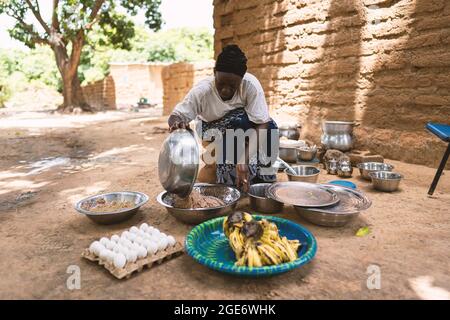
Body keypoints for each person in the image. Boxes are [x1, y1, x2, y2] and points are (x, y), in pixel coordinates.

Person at [168, 44, 278, 192]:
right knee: (236, 127)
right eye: (221, 84)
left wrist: (243, 159)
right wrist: (176, 125)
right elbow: (177, 115)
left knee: (270, 127)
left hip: (241, 127)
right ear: (214, 73)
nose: (226, 90)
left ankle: (263, 181)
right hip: (211, 131)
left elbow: (262, 124)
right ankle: (229, 183)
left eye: (232, 85)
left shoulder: (250, 85)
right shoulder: (202, 92)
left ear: (242, 78)